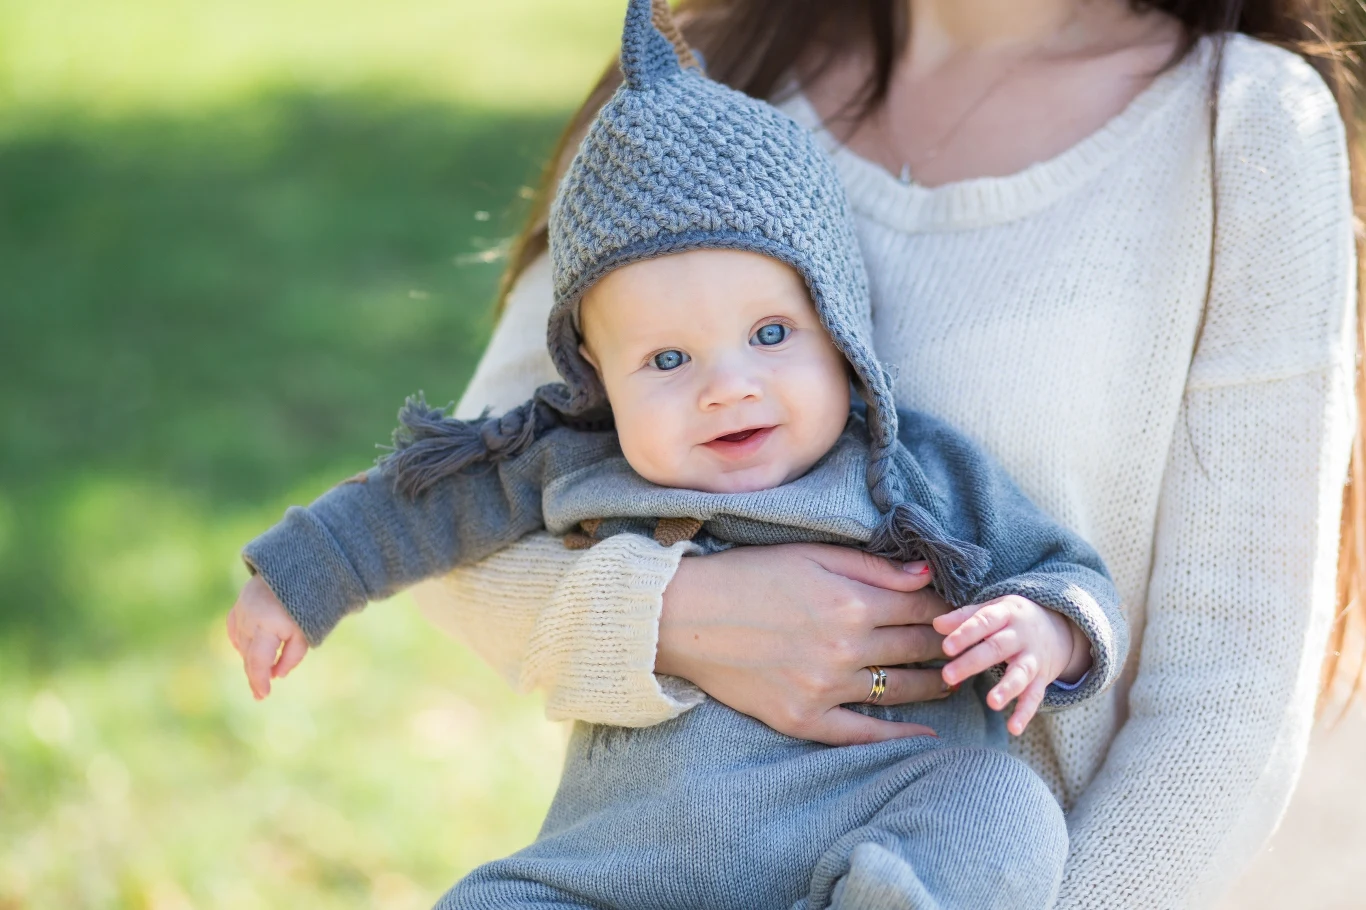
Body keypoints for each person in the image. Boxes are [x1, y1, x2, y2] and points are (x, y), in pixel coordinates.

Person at [396, 0, 1360, 906]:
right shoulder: (695, 83)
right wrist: (674, 615)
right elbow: (441, 513)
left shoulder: (1246, 125)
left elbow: (1223, 703)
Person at [228, 4, 1126, 905]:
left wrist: (1044, 629)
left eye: (771, 333)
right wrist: (296, 580)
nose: (727, 386)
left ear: (841, 333)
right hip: (623, 855)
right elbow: (416, 499)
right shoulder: (579, 456)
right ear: (597, 380)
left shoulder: (910, 468)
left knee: (1006, 808)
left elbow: (1067, 570)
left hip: (870, 812)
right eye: (666, 360)